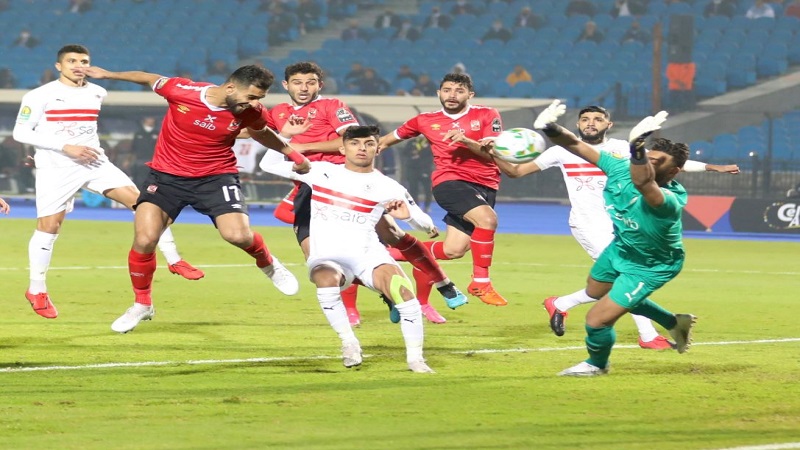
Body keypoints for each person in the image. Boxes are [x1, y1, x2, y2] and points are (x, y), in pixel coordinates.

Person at [74, 62, 307, 333]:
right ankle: (142, 304)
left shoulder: (251, 111)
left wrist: (293, 154)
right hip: (166, 177)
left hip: (215, 177)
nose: (255, 103)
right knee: (145, 239)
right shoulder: (182, 90)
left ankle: (268, 263)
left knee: (238, 236)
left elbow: (261, 133)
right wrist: (109, 74)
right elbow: (149, 76)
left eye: (259, 98)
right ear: (230, 88)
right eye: (251, 96)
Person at [489, 105, 738, 349]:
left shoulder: (621, 150)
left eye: (597, 119)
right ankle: (648, 334)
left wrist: (710, 167)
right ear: (577, 124)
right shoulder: (560, 151)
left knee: (609, 285)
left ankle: (561, 304)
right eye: (585, 119)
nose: (590, 123)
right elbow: (519, 170)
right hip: (587, 223)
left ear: (609, 124)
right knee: (624, 280)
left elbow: (658, 164)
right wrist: (496, 150)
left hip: (620, 224)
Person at [12, 44, 203, 320]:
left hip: (94, 161)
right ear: (59, 66)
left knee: (145, 204)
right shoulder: (39, 95)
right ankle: (37, 290)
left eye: (83, 61)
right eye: (72, 61)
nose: (78, 65)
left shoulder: (97, 92)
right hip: (57, 166)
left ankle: (174, 259)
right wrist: (65, 147)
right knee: (49, 226)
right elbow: (21, 132)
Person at [266, 62, 465, 325]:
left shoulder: (332, 106)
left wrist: (303, 147)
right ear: (285, 85)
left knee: (392, 233)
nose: (304, 88)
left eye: (310, 82)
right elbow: (258, 134)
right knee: (318, 260)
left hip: (349, 180)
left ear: (319, 85)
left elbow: (349, 140)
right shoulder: (278, 112)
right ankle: (388, 294)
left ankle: (443, 283)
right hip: (310, 184)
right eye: (298, 83)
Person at [530, 100, 697, 376]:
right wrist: (549, 127)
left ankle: (597, 364)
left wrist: (637, 147)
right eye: (649, 158)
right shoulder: (619, 168)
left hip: (650, 265)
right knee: (595, 290)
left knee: (596, 320)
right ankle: (674, 322)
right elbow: (574, 144)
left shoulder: (668, 201)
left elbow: (644, 183)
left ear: (673, 172)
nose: (649, 163)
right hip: (620, 248)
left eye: (658, 162)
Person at [260, 125, 435, 373]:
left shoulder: (389, 186)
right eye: (354, 143)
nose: (362, 148)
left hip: (368, 255)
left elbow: (425, 223)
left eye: (369, 144)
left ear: (377, 149)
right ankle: (349, 342)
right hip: (328, 256)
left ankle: (416, 359)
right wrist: (286, 134)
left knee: (403, 292)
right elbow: (268, 164)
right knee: (325, 278)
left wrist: (408, 217)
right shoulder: (319, 171)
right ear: (342, 149)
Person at [379, 72, 509, 307]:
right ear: (438, 93)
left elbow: (493, 154)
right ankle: (481, 282)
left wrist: (466, 140)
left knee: (453, 250)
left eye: (459, 91)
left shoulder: (487, 115)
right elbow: (386, 141)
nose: (452, 95)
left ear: (470, 95)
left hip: (486, 184)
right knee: (487, 220)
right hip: (450, 182)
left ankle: (383, 254)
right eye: (447, 90)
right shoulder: (424, 120)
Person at [130, 116, 159, 188]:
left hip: (153, 162)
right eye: (149, 118)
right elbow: (133, 149)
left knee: (153, 181)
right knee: (139, 180)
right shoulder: (138, 134)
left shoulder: (157, 133)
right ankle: (139, 193)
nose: (151, 120)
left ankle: (151, 194)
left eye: (152, 118)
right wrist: (130, 160)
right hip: (140, 161)